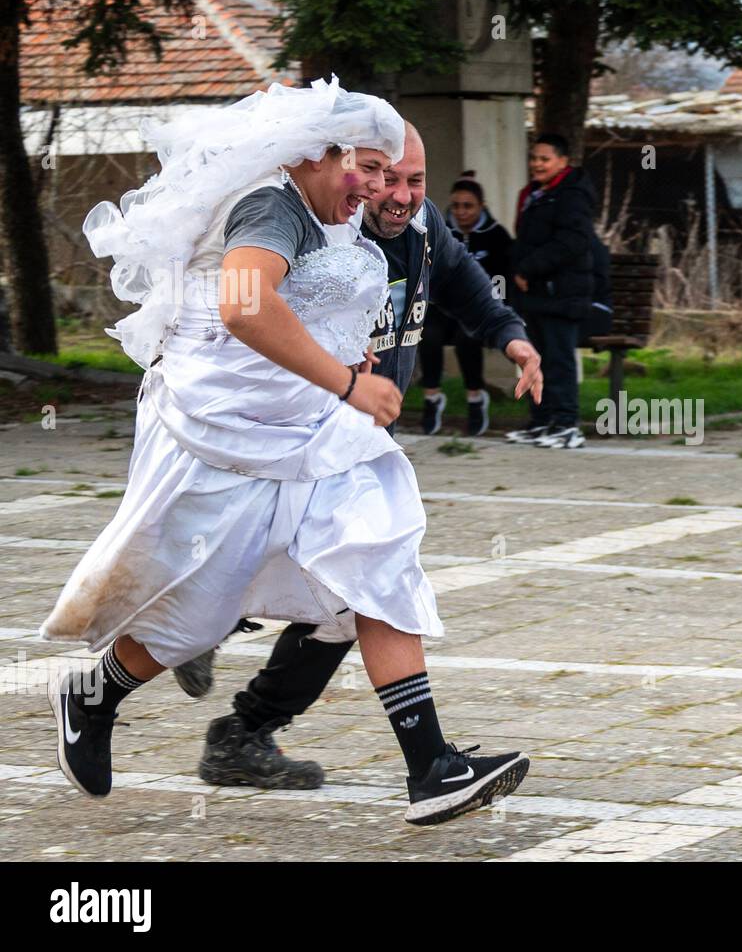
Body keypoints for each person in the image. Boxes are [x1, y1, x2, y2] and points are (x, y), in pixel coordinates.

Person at [42, 79, 540, 827]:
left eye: (393, 175)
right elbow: (245, 306)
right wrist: (346, 382)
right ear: (318, 152)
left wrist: (353, 365)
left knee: (378, 558)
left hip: (320, 437)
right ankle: (95, 694)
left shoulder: (337, 207)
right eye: (368, 170)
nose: (377, 190)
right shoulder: (269, 207)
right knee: (198, 613)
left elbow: (326, 304)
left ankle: (434, 768)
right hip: (233, 438)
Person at [182, 124, 539, 794]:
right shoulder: (318, 231)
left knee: (346, 603)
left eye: (414, 181)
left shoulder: (426, 228)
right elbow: (244, 311)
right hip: (296, 438)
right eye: (383, 178)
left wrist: (510, 337)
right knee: (345, 586)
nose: (399, 196)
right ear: (353, 173)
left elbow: (464, 284)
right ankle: (189, 636)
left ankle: (241, 725)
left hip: (358, 438)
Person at [503, 132, 597, 450]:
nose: (537, 164)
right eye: (533, 158)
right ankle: (541, 421)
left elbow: (573, 242)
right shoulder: (533, 194)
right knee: (535, 358)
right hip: (534, 294)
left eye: (544, 159)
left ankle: (567, 424)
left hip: (563, 293)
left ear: (562, 161)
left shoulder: (573, 194)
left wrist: (530, 268)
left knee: (559, 359)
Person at [419, 171, 514, 436]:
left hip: (477, 309)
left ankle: (475, 398)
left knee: (468, 336)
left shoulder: (497, 237)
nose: (461, 212)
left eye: (468, 206)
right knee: (428, 335)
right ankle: (432, 398)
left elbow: (503, 280)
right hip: (442, 307)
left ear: (481, 207)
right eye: (456, 206)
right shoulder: (440, 233)